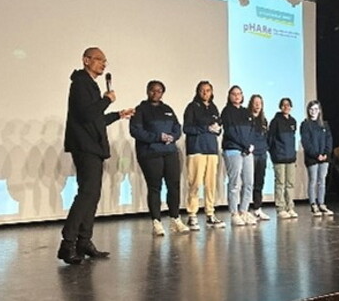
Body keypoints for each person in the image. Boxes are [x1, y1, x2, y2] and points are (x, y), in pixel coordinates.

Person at [58, 47, 134, 265]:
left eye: (105, 61)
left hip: (93, 146)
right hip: (85, 146)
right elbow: (87, 115)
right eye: (99, 60)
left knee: (92, 195)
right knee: (87, 194)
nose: (103, 64)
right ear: (86, 60)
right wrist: (107, 99)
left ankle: (84, 241)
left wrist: (118, 115)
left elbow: (96, 119)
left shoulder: (90, 84)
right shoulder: (80, 83)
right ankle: (68, 243)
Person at [129, 80, 190, 236]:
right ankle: (156, 222)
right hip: (150, 154)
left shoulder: (167, 109)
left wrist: (173, 136)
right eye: (153, 90)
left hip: (170, 152)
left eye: (159, 91)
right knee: (155, 187)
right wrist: (158, 137)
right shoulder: (141, 109)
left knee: (174, 185)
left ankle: (175, 218)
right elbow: (136, 131)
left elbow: (177, 127)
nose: (156, 93)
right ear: (147, 91)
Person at [183, 81, 226, 230]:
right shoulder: (192, 107)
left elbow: (219, 128)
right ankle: (192, 215)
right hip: (197, 149)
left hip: (211, 149)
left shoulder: (214, 108)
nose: (205, 93)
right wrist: (206, 128)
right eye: (202, 90)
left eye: (208, 90)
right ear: (198, 91)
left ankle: (210, 214)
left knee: (211, 184)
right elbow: (187, 128)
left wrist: (217, 129)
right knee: (195, 183)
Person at [221, 85, 257, 226]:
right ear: (229, 96)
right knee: (235, 183)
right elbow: (230, 132)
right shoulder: (226, 112)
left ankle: (244, 210)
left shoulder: (246, 112)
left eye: (239, 94)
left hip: (247, 151)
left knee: (249, 182)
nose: (237, 96)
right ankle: (234, 212)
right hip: (233, 149)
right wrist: (244, 145)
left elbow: (252, 130)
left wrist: (251, 145)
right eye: (234, 94)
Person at [301, 100, 334, 216]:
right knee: (313, 180)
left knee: (322, 181)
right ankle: (313, 204)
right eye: (311, 109)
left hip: (325, 157)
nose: (313, 112)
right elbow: (306, 142)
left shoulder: (324, 124)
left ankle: (322, 203)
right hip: (312, 158)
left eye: (315, 109)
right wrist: (316, 155)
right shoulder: (305, 124)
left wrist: (325, 153)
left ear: (319, 110)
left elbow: (329, 140)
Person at [269, 98, 298, 219]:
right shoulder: (275, 121)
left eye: (288, 105)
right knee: (280, 183)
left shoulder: (293, 121)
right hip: (279, 157)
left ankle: (290, 207)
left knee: (290, 183)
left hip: (290, 157)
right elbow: (270, 139)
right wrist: (274, 153)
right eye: (284, 105)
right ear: (280, 107)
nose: (286, 107)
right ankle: (280, 208)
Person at [248, 94, 270, 221]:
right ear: (251, 104)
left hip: (262, 153)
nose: (257, 105)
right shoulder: (247, 118)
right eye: (255, 102)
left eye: (259, 103)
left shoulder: (263, 120)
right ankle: (245, 209)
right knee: (248, 182)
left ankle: (257, 208)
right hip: (251, 154)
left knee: (259, 182)